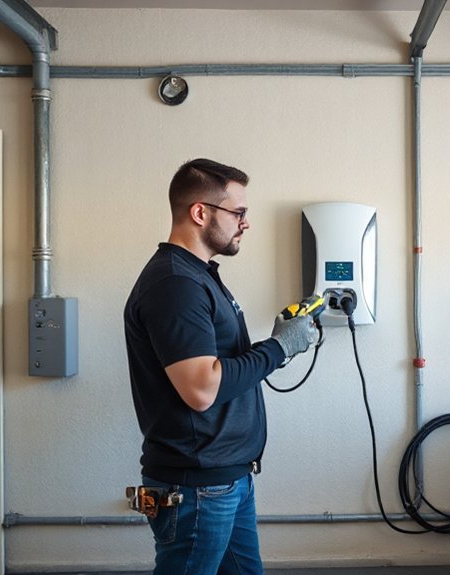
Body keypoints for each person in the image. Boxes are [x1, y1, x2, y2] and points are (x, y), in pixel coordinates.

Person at [124, 158, 318, 575]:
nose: (245, 223)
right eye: (239, 213)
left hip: (227, 477)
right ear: (200, 212)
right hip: (197, 486)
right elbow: (201, 389)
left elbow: (222, 364)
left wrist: (278, 343)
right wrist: (279, 349)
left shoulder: (200, 277)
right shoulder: (175, 283)